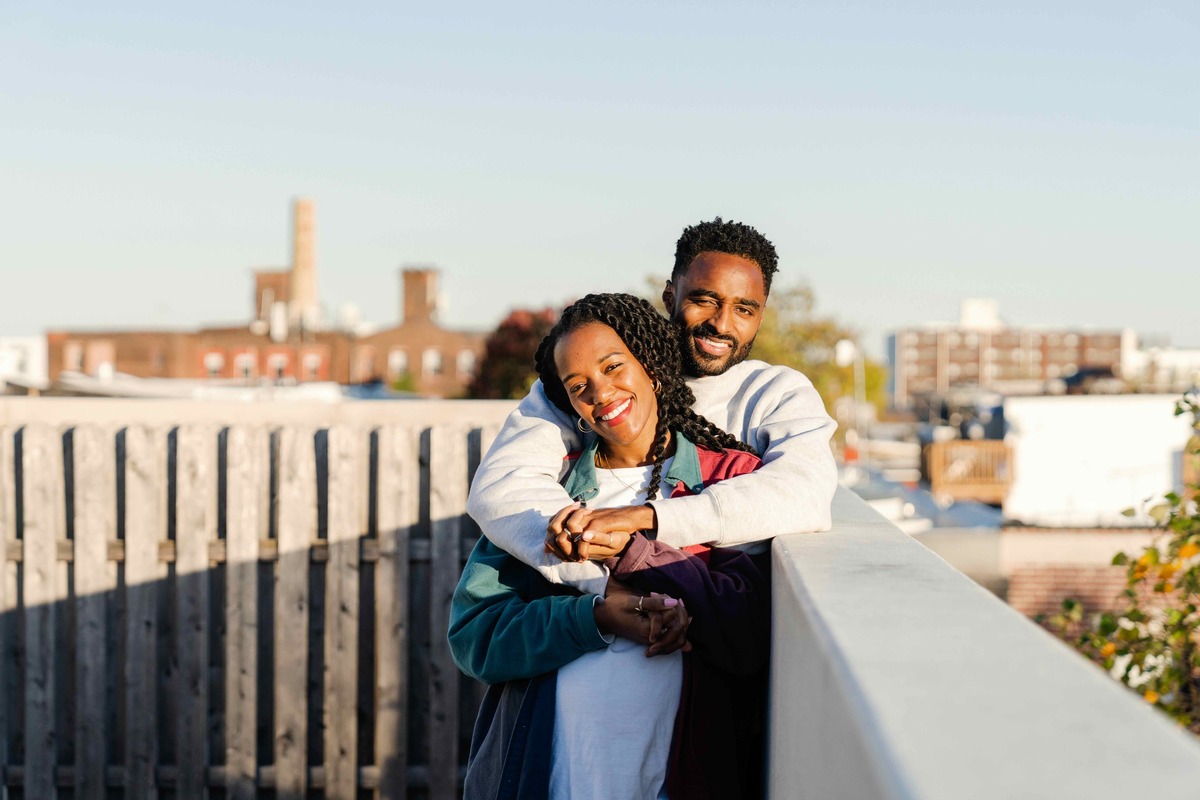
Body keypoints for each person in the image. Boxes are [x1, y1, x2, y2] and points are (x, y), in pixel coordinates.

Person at [450, 293, 771, 800]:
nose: (601, 391)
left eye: (613, 366)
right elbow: (476, 637)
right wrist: (597, 618)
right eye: (579, 386)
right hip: (550, 778)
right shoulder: (544, 498)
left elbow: (749, 630)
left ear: (652, 367)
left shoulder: (726, 478)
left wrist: (639, 558)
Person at [466, 218, 838, 596]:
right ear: (669, 295)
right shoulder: (593, 381)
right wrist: (604, 582)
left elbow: (805, 493)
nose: (721, 324)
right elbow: (502, 487)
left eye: (744, 309)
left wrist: (648, 520)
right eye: (704, 300)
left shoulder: (776, 393)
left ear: (761, 314)